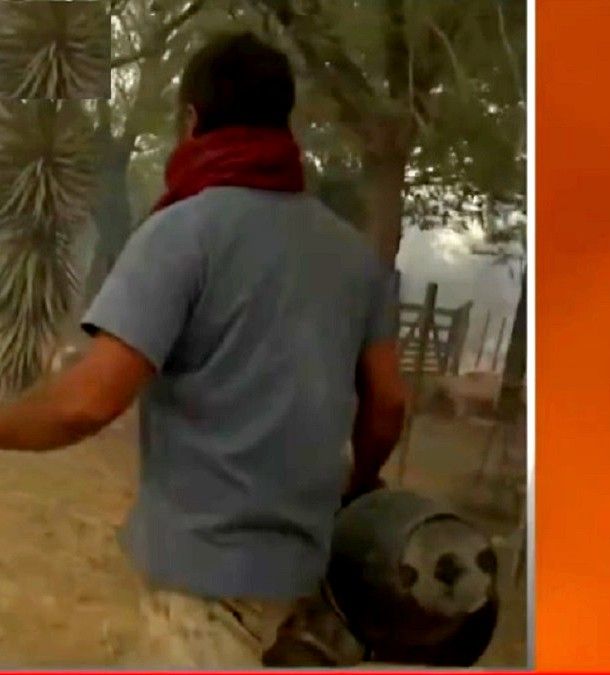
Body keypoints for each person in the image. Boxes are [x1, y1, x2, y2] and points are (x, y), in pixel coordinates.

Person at [0, 31, 408, 666]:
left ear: (192, 121)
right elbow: (387, 404)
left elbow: (86, 403)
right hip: (314, 593)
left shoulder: (182, 234)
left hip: (205, 601)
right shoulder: (353, 256)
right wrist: (355, 486)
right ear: (284, 121)